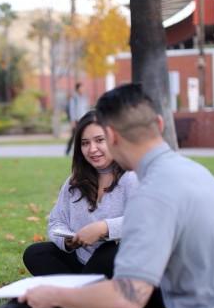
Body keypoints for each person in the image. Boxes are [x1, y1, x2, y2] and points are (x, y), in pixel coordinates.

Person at [8, 83, 214, 308]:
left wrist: (55, 296)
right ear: (160, 124)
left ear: (112, 137)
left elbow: (127, 299)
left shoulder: (152, 192)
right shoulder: (191, 171)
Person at [23, 110, 138, 278]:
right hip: (82, 260)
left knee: (110, 251)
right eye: (85, 143)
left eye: (100, 140)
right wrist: (67, 242)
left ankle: (79, 294)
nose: (92, 149)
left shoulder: (132, 177)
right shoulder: (74, 182)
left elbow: (145, 220)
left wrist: (103, 228)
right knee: (35, 253)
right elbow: (56, 222)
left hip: (119, 265)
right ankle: (82, 293)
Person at [65, 83, 89, 155]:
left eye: (83, 88)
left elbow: (86, 108)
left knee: (83, 135)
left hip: (83, 119)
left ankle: (81, 151)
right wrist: (72, 121)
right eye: (81, 88)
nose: (83, 89)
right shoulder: (74, 98)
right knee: (74, 136)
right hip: (76, 120)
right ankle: (68, 150)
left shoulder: (84, 97)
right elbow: (72, 109)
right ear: (77, 89)